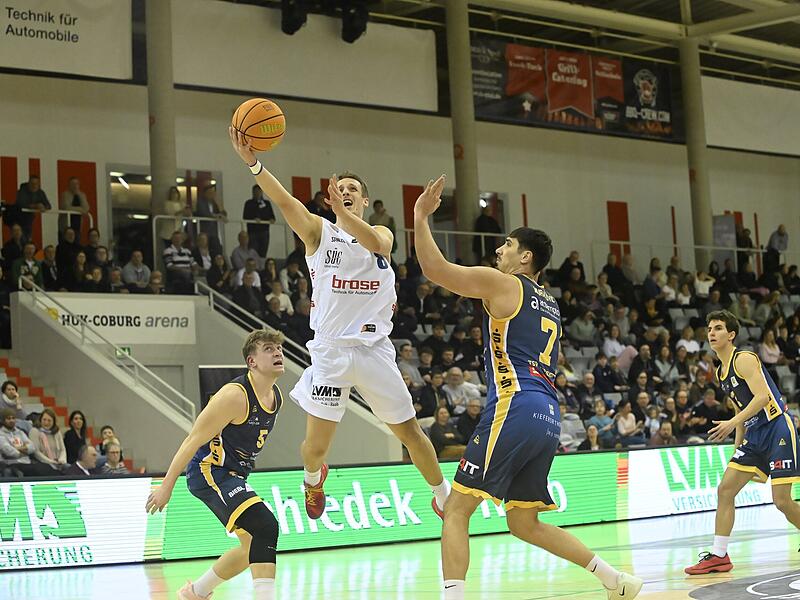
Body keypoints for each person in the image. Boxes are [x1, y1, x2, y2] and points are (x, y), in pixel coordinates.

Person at [412, 175, 641, 600]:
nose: (499, 250)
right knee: (524, 523)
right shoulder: (548, 300)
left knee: (455, 509)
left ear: (525, 257)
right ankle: (616, 581)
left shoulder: (506, 284)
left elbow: (434, 270)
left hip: (514, 406)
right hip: (549, 415)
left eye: (507, 245)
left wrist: (420, 217)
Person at [229, 129, 451, 523]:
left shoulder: (380, 233)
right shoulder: (318, 232)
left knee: (411, 433)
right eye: (340, 187)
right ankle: (313, 481)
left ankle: (444, 497)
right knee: (315, 449)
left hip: (374, 351)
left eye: (353, 189)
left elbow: (378, 244)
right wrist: (253, 162)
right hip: (331, 352)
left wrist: (344, 213)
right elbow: (283, 199)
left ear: (364, 200)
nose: (345, 191)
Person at [147, 330, 285, 600]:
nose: (278, 352)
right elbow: (191, 440)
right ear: (251, 362)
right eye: (269, 348)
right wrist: (166, 486)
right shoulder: (233, 396)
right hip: (209, 471)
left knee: (251, 548)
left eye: (279, 348)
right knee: (266, 526)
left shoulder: (275, 395)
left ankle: (194, 593)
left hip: (235, 474)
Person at [685, 310, 800, 575]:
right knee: (725, 490)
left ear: (731, 334)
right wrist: (737, 446)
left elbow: (762, 397)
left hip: (776, 427)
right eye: (710, 328)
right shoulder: (721, 372)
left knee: (782, 501)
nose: (711, 333)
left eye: (718, 328)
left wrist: (731, 422)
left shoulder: (744, 358)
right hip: (753, 434)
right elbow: (741, 408)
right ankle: (719, 555)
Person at [0, 409, 57, 476]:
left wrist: (18, 448)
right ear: (3, 420)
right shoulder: (1, 435)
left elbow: (32, 447)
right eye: (8, 418)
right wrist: (25, 450)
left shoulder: (20, 432)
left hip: (27, 462)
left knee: (46, 468)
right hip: (11, 464)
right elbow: (10, 452)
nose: (11, 420)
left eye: (13, 418)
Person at [243, 184, 276, 260]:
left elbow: (272, 217)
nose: (257, 193)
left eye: (259, 191)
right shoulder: (249, 203)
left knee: (263, 253)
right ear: (253, 192)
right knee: (253, 252)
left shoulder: (267, 204)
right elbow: (245, 216)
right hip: (253, 232)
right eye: (256, 192)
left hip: (264, 232)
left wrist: (271, 220)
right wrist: (254, 219)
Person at [16, 175, 51, 240]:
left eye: (36, 184)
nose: (34, 186)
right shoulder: (22, 190)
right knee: (19, 239)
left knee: (28, 238)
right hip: (17, 218)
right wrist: (36, 206)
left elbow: (49, 205)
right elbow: (21, 204)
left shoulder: (40, 192)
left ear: (39, 184)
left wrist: (43, 206)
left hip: (29, 220)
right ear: (28, 183)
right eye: (32, 184)